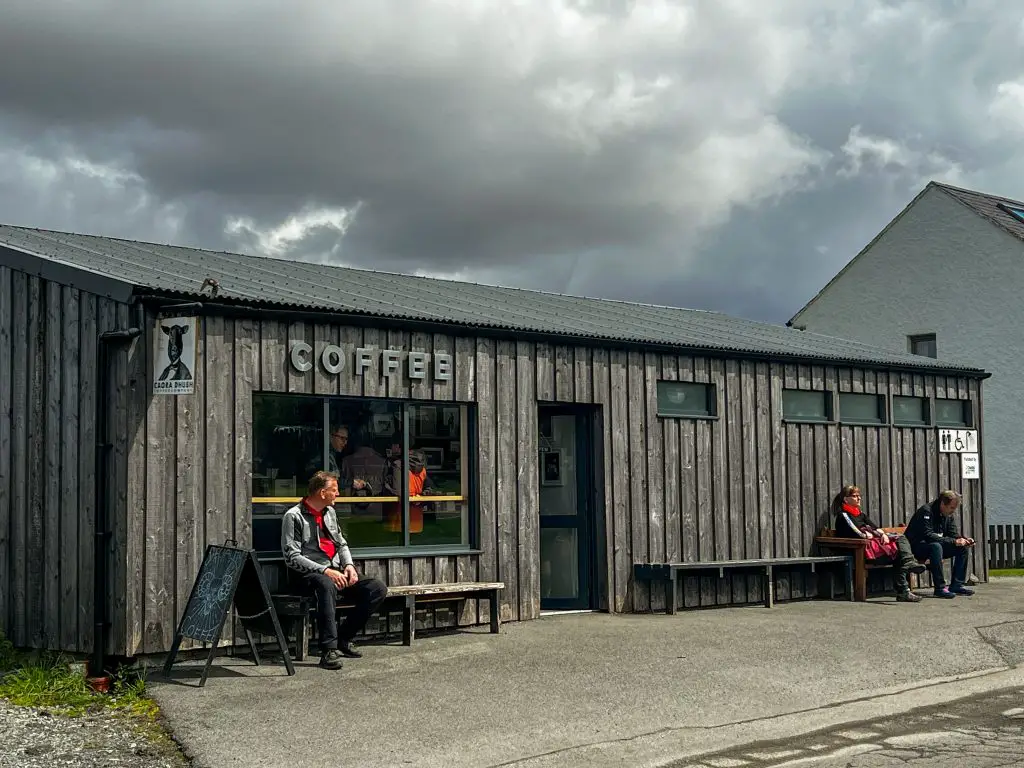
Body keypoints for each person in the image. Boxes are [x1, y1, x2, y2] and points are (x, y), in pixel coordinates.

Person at [281, 471, 388, 670]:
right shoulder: (293, 516)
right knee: (325, 584)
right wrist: (324, 571)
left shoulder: (330, 512)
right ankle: (328, 650)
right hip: (307, 575)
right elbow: (292, 557)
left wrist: (349, 566)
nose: (338, 494)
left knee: (376, 588)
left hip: (335, 569)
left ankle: (344, 638)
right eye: (334, 490)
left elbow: (341, 543)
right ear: (322, 493)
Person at [832, 484, 926, 603]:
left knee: (900, 548)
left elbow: (874, 527)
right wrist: (866, 535)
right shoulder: (844, 515)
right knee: (900, 553)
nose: (859, 498)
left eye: (859, 496)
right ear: (846, 499)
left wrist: (883, 535)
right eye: (855, 496)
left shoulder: (860, 514)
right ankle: (906, 580)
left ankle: (904, 589)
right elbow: (854, 530)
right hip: (861, 551)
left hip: (874, 548)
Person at [904, 490, 976, 598]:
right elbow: (928, 535)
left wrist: (964, 540)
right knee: (936, 547)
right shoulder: (926, 511)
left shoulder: (948, 515)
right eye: (951, 508)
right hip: (917, 547)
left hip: (935, 546)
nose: (953, 511)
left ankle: (956, 585)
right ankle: (940, 588)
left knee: (962, 548)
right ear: (943, 503)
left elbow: (952, 533)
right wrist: (953, 541)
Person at [384, 449, 434, 534]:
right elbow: (429, 488)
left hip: (399, 514)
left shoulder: (398, 465)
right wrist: (421, 497)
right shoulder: (423, 470)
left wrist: (387, 485)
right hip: (417, 516)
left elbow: (397, 491)